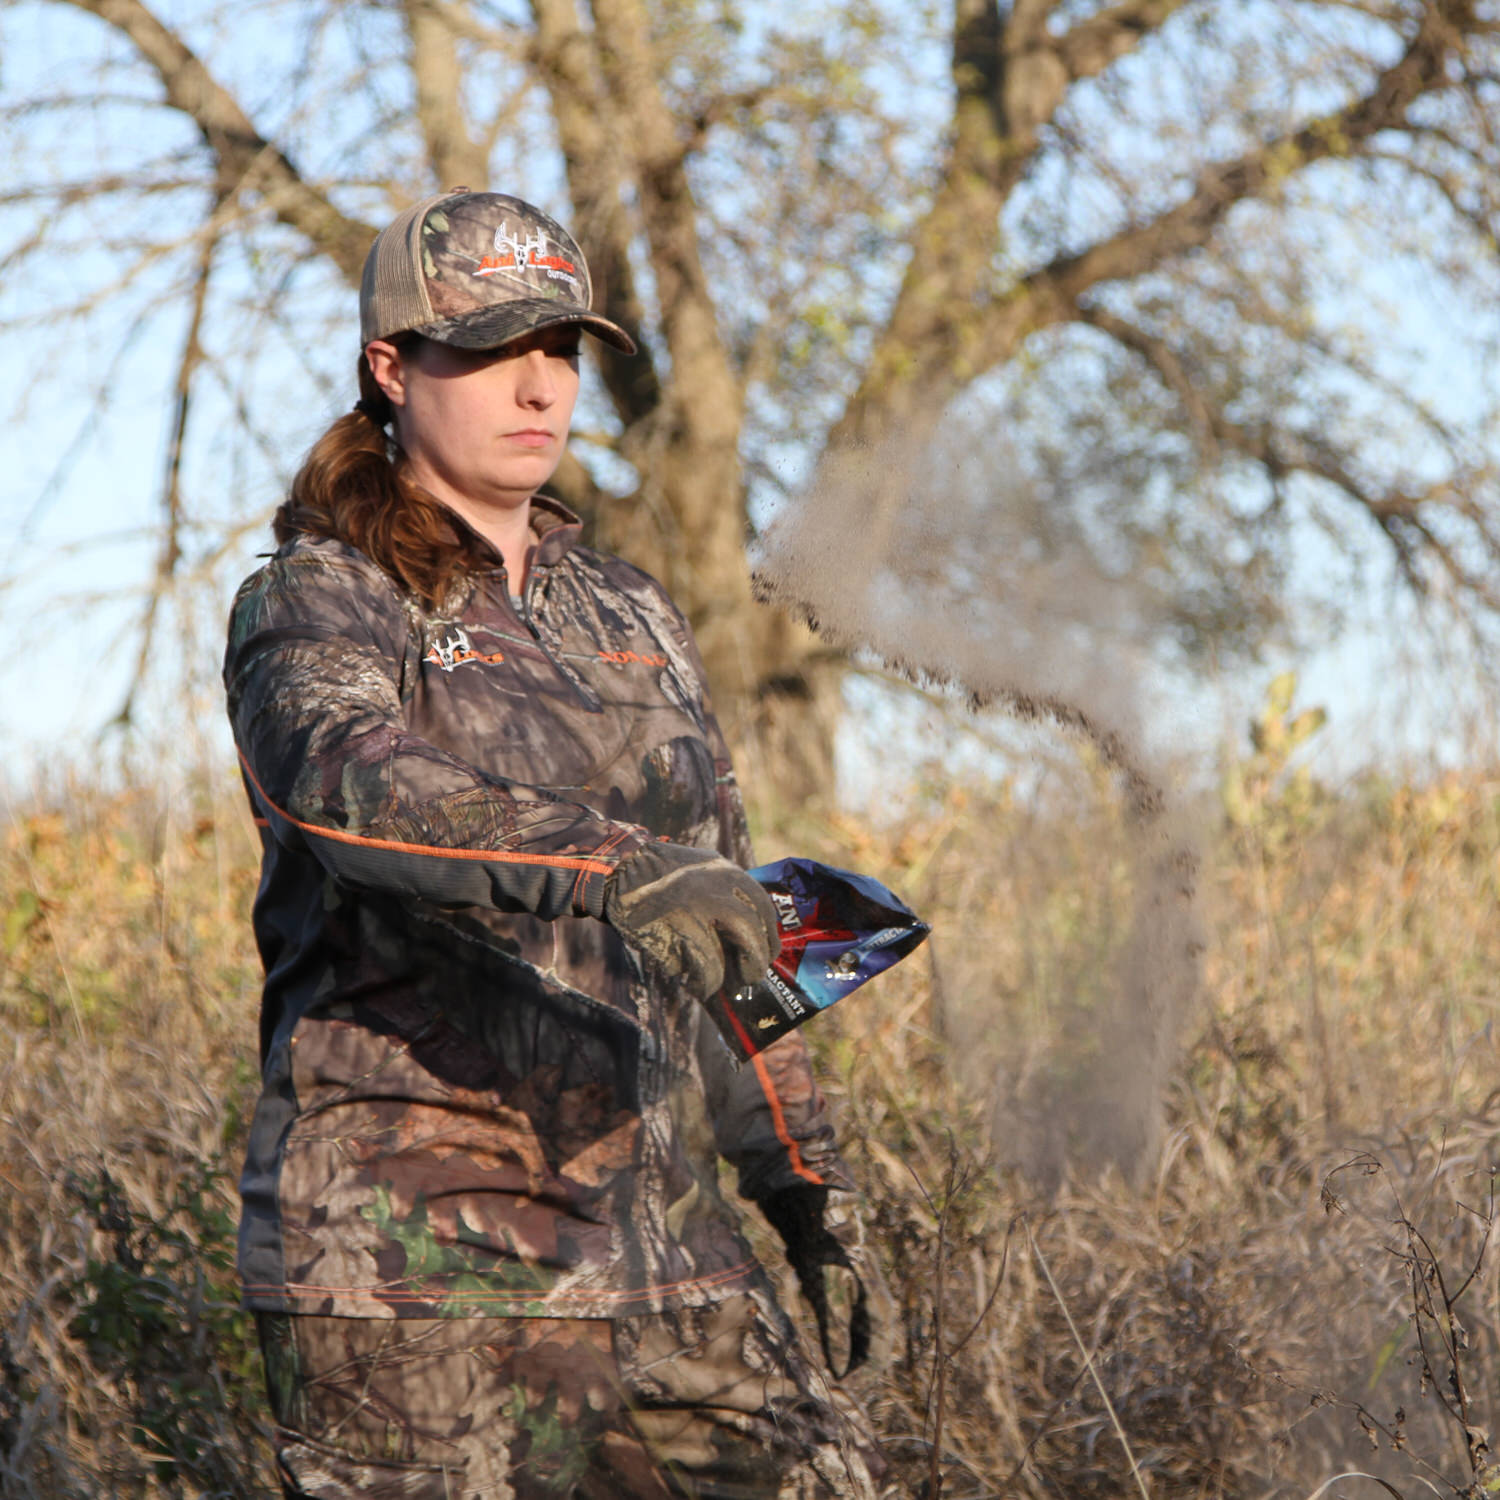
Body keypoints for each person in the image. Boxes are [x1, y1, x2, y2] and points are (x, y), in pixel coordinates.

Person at [223, 188, 885, 1499]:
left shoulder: (631, 608)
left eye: (561, 352)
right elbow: (339, 781)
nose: (537, 386)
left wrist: (801, 1177)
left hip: (663, 1241)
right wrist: (619, 863)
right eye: (489, 351)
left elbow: (727, 914)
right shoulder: (318, 595)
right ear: (391, 369)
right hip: (410, 1267)